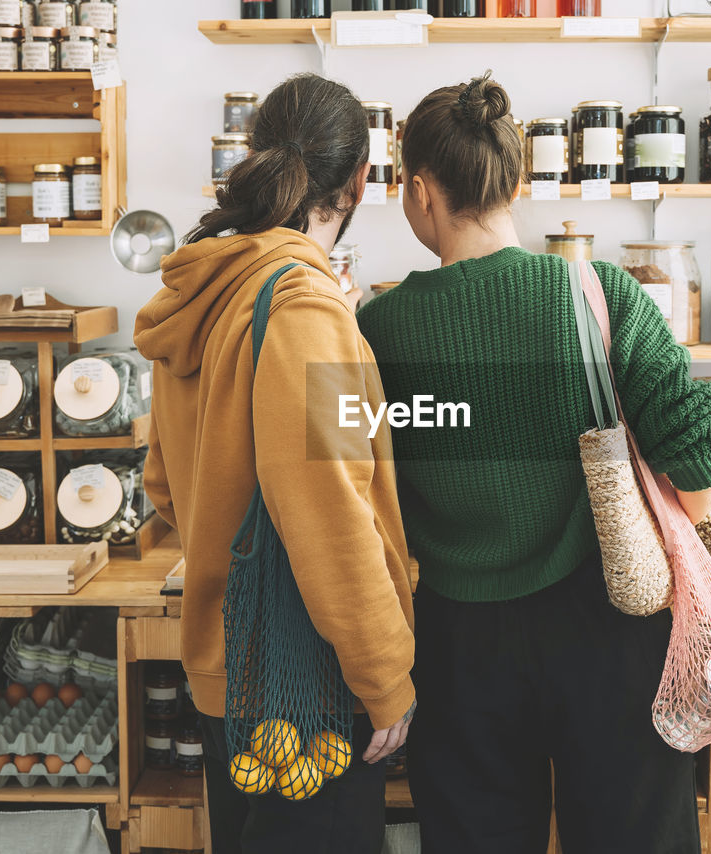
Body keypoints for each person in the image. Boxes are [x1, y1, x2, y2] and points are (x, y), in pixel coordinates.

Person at [356, 72, 711, 854]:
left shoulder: (377, 329)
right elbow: (698, 465)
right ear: (516, 182)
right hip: (607, 622)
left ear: (419, 190)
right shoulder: (601, 297)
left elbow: (353, 491)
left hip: (457, 645)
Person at [134, 73, 415, 854]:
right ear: (360, 180)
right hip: (307, 679)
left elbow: (164, 484)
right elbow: (327, 512)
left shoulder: (207, 289)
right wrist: (385, 675)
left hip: (231, 662)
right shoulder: (300, 307)